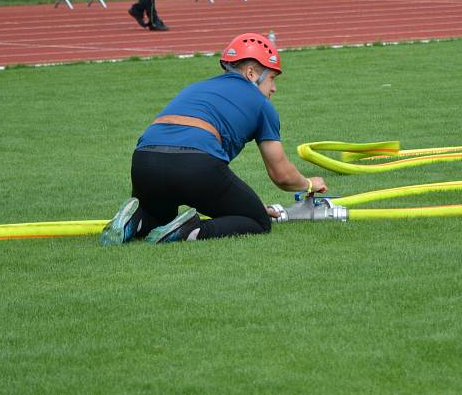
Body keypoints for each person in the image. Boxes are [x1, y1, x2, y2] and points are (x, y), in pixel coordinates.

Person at [100, 32, 328, 246]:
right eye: (272, 78)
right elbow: (281, 175)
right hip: (193, 165)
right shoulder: (261, 105)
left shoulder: (197, 87)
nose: (274, 88)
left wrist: (249, 203)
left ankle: (134, 220)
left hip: (144, 163)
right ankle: (191, 229)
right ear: (251, 73)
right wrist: (309, 184)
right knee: (258, 221)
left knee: (159, 218)